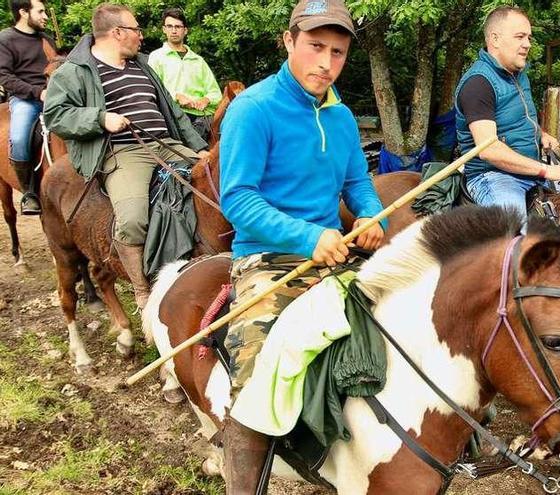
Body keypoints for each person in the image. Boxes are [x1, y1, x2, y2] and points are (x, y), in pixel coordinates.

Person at [218, 0, 385, 490]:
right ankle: (243, 483)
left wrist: (371, 214)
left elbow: (358, 184)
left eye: (337, 52)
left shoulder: (343, 116)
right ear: (288, 41)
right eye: (315, 47)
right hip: (269, 257)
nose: (325, 63)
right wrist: (309, 236)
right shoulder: (254, 108)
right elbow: (238, 200)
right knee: (258, 363)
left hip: (336, 252)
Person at [43, 3, 209, 309]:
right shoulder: (75, 71)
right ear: (118, 33)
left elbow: (173, 111)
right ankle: (142, 289)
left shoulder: (142, 65)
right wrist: (100, 118)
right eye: (136, 30)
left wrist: (199, 148)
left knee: (215, 185)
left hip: (167, 143)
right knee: (132, 220)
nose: (141, 37)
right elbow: (55, 115)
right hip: (125, 151)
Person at [454, 6, 560, 222]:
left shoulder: (518, 74)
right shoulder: (478, 83)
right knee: (517, 239)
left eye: (528, 37)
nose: (527, 44)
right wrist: (547, 170)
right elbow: (489, 150)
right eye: (520, 36)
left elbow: (519, 120)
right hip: (492, 176)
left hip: (529, 170)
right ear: (495, 39)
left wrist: (541, 134)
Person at [0, 0, 52, 214]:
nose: (45, 16)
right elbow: (4, 76)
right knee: (20, 137)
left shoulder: (47, 40)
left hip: (53, 97)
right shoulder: (6, 39)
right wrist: (37, 92)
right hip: (25, 99)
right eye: (40, 11)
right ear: (23, 12)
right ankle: (29, 192)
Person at [147, 7, 221, 142]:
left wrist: (206, 100)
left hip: (204, 118)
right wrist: (177, 97)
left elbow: (216, 93)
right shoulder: (156, 57)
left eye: (178, 27)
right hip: (173, 117)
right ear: (164, 29)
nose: (174, 30)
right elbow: (152, 89)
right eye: (169, 26)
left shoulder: (198, 60)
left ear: (185, 30)